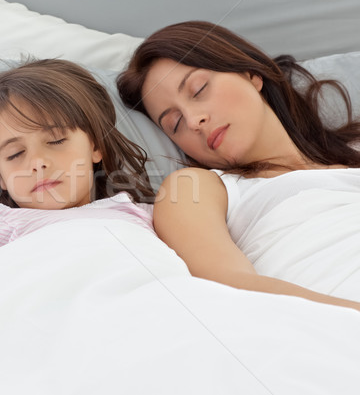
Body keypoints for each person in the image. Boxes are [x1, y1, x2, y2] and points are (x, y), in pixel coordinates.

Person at [117, 20, 360, 312]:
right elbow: (229, 285)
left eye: (198, 89)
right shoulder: (198, 188)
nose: (194, 121)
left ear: (251, 74)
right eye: (175, 124)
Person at [0, 59, 156, 271]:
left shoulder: (145, 215)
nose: (37, 163)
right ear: (0, 175)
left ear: (95, 145)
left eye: (56, 141)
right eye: (15, 154)